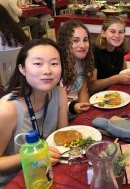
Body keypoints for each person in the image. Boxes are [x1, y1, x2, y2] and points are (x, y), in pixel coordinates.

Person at [0, 38, 68, 187]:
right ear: (22, 69)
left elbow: (62, 136)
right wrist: (35, 156)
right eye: (38, 63)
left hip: (48, 173)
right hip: (14, 181)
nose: (47, 71)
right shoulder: (7, 109)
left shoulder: (59, 93)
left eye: (54, 63)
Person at [88, 16, 130, 94]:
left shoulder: (120, 48)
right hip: (98, 96)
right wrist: (116, 79)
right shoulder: (94, 51)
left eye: (121, 32)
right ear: (103, 34)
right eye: (112, 31)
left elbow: (124, 71)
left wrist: (128, 75)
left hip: (115, 91)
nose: (117, 36)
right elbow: (91, 87)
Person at [57, 21, 94, 115]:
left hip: (75, 111)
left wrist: (85, 115)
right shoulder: (56, 65)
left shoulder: (83, 61)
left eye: (85, 40)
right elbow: (54, 103)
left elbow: (83, 92)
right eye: (76, 40)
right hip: (58, 116)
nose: (82, 45)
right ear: (65, 43)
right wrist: (74, 108)